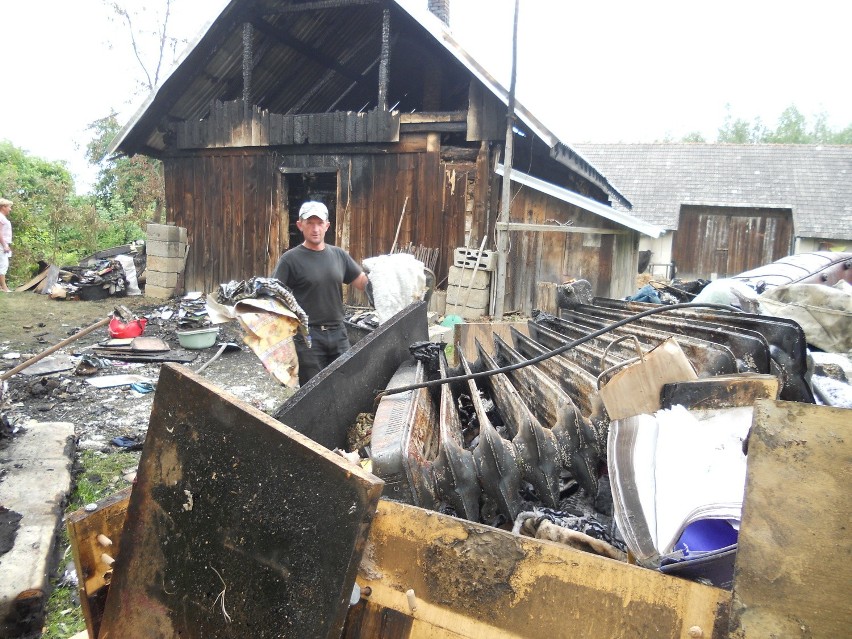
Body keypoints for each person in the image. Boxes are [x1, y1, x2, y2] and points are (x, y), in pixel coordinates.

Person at [272, 201, 368, 385]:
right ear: (300, 225)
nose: (315, 229)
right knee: (313, 390)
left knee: (345, 383)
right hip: (307, 337)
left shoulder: (339, 255)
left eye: (319, 223)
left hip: (339, 332)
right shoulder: (290, 260)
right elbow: (274, 296)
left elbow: (362, 283)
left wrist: (387, 276)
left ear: (327, 225)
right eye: (310, 223)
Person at [0, 198, 13, 292]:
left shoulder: (2, 217)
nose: (10, 209)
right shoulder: (0, 217)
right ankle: (4, 287)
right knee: (4, 265)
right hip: (1, 244)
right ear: (3, 207)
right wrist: (4, 245)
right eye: (9, 207)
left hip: (3, 243)